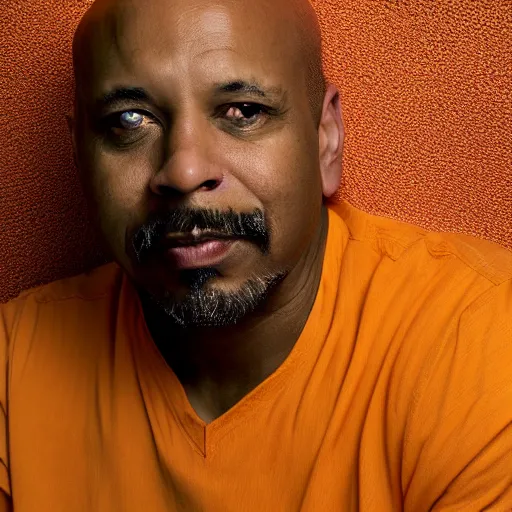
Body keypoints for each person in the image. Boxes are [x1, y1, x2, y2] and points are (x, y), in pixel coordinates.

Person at [1, 0, 511, 509]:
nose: (183, 171)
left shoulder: (479, 341)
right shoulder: (13, 369)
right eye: (129, 120)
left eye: (243, 111)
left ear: (326, 139)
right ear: (80, 158)